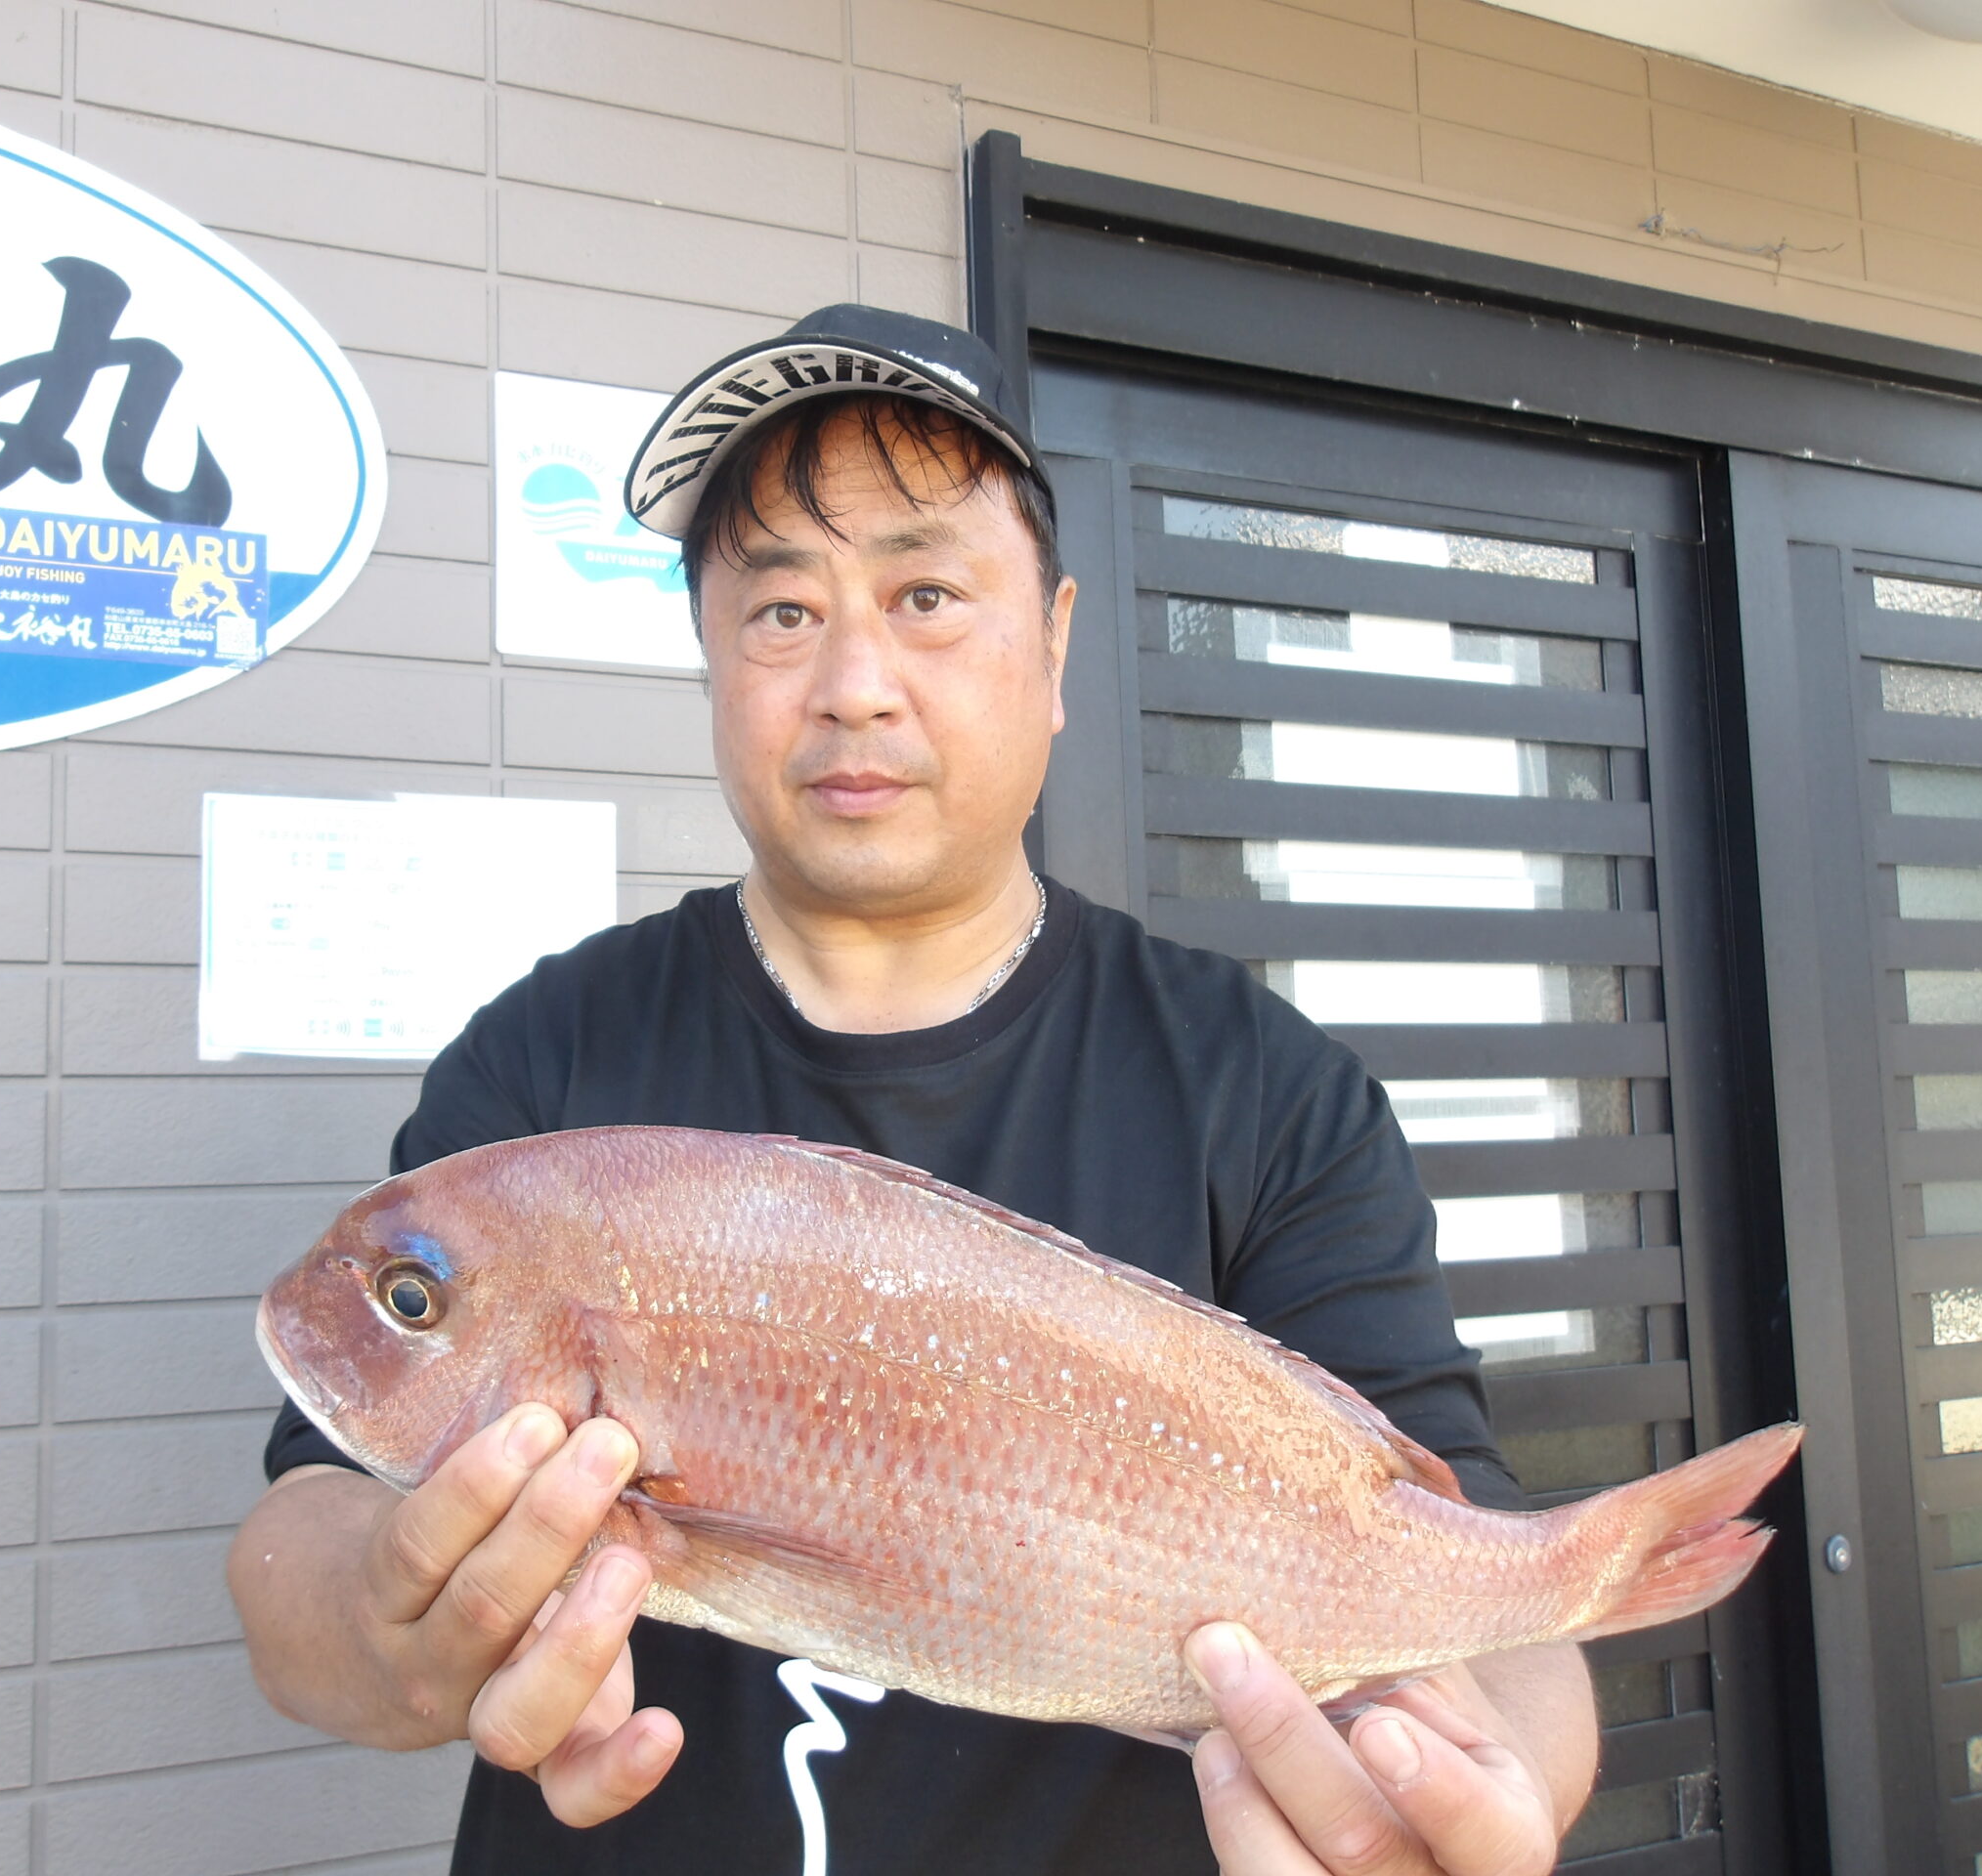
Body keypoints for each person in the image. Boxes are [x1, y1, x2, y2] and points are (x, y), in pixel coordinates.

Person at [230, 304, 1599, 1875]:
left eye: (927, 593)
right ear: (710, 656)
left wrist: (1501, 1792)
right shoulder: (546, 1064)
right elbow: (302, 1533)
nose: (855, 682)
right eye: (781, 611)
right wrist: (397, 1621)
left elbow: (1466, 1572)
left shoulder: (1269, 1093)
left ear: (1058, 641)